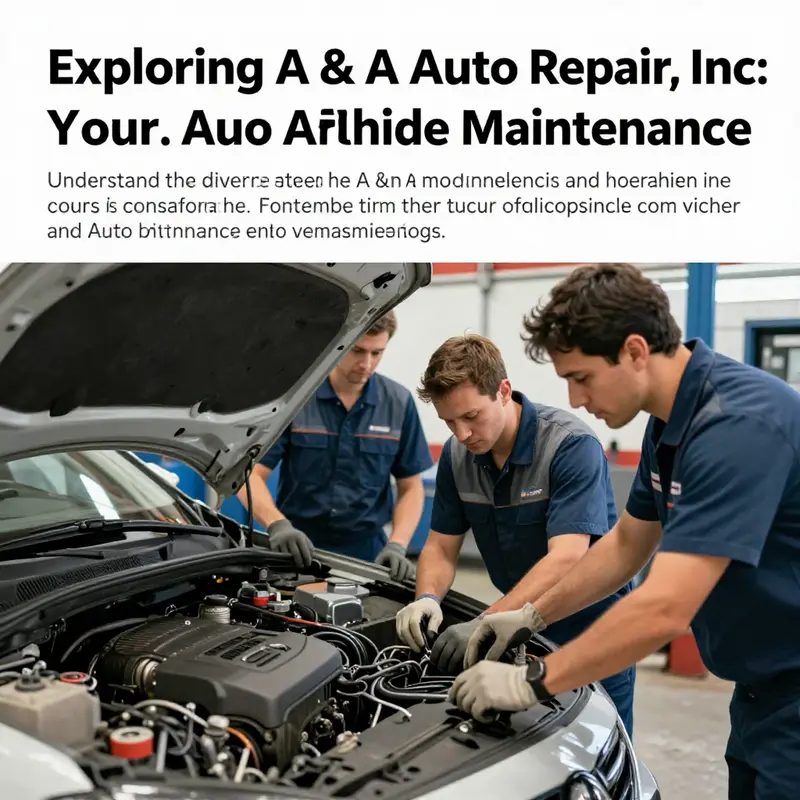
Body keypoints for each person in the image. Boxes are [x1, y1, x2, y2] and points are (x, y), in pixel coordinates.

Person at [449, 263, 800, 800]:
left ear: (635, 350)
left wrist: (532, 681)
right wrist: (531, 615)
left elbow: (665, 608)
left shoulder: (736, 425)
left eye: (582, 377)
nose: (573, 400)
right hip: (759, 694)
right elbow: (626, 546)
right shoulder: (669, 428)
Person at [395, 334, 636, 734]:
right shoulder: (458, 458)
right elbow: (440, 545)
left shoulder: (569, 446)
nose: (462, 434)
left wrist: (485, 620)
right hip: (516, 624)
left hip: (591, 630)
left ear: (504, 391)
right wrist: (427, 597)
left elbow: (567, 556)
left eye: (471, 416)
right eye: (448, 422)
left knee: (598, 743)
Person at [238, 310, 433, 581]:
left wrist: (398, 544)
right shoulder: (296, 400)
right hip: (297, 547)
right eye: (357, 350)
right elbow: (251, 476)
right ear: (337, 343)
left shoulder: (398, 403)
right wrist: (277, 524)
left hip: (369, 554)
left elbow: (411, 486)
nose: (366, 363)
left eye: (377, 353)